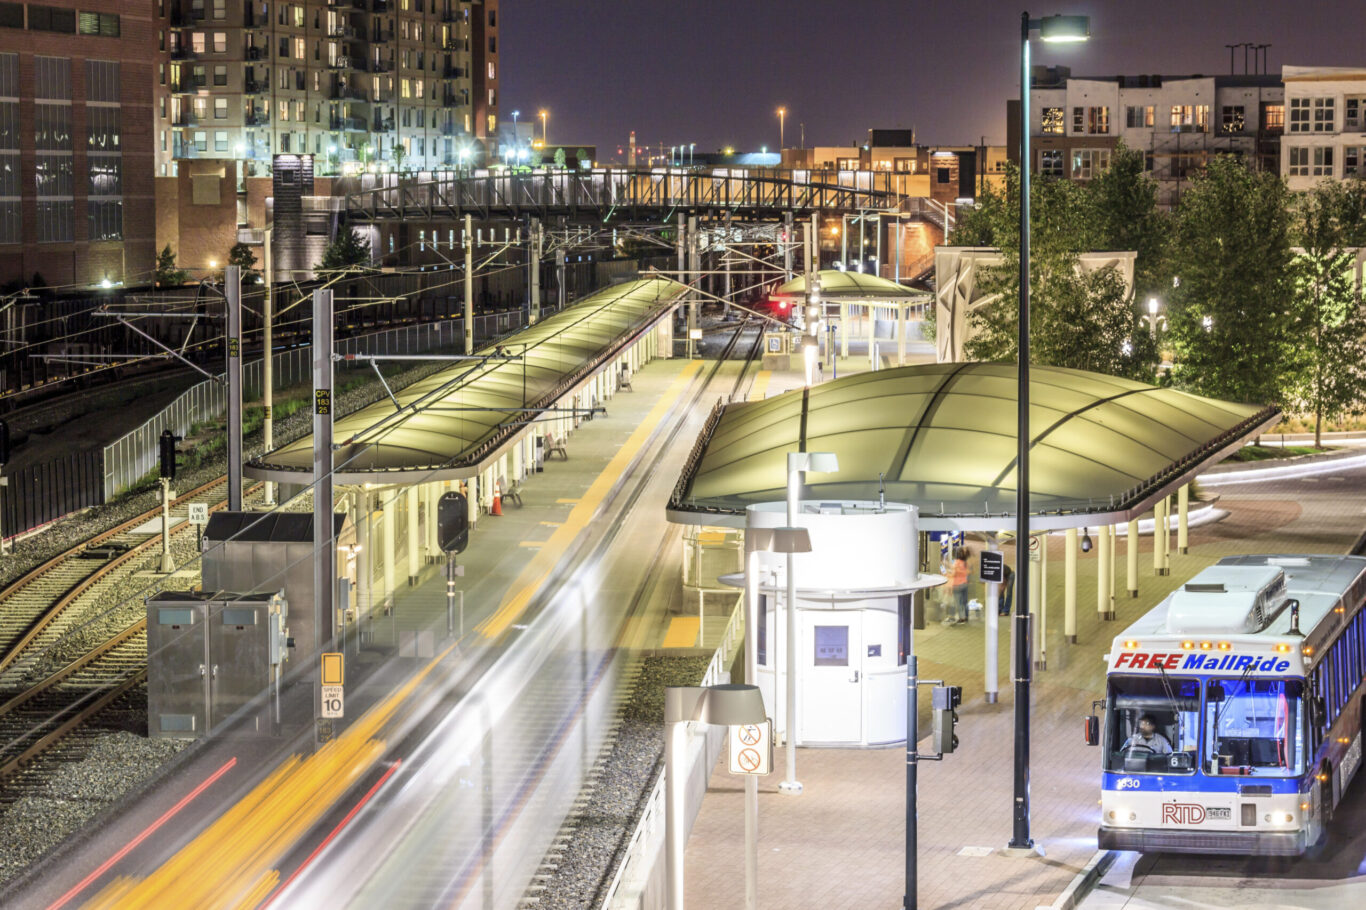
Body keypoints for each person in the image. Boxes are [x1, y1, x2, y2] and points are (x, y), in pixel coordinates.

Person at [950, 547, 970, 624]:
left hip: (957, 585)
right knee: (965, 601)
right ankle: (966, 616)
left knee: (959, 602)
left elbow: (954, 573)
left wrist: (949, 571)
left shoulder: (957, 562)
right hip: (964, 584)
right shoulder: (965, 563)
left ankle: (962, 618)